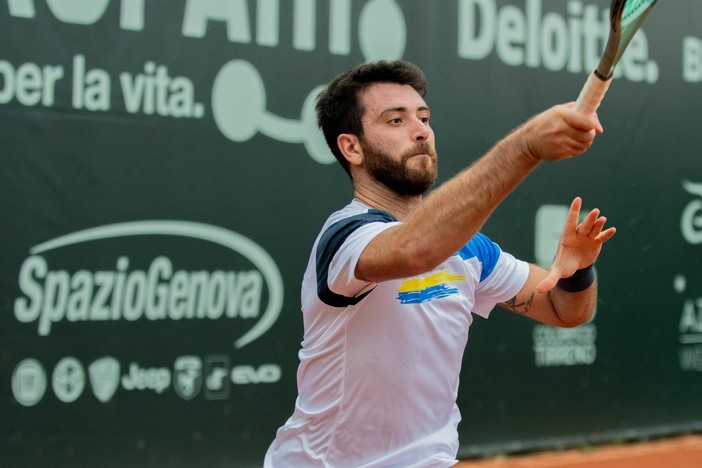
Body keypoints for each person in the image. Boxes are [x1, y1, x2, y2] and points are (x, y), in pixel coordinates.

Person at [264, 60, 616, 467]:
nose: (420, 131)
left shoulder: (468, 249)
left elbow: (564, 310)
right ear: (352, 147)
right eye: (395, 120)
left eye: (424, 118)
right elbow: (416, 250)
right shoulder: (346, 239)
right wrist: (525, 146)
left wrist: (577, 271)